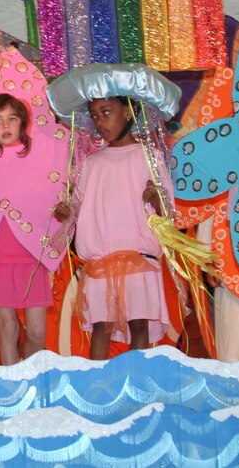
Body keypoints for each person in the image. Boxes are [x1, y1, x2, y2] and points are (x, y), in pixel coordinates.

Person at [48, 64, 181, 360]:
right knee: (101, 327)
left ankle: (137, 382)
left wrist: (155, 197)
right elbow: (78, 205)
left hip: (138, 259)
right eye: (95, 115)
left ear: (128, 112)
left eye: (106, 112)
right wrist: (65, 212)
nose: (99, 121)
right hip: (100, 261)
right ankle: (98, 388)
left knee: (139, 325)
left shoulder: (148, 157)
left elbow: (167, 211)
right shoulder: (92, 164)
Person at [0, 93, 59, 365]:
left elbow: (51, 199)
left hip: (31, 255)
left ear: (23, 123)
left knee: (38, 331)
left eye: (12, 118)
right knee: (7, 328)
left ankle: (31, 377)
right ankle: (12, 388)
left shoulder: (41, 159)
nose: (5, 126)